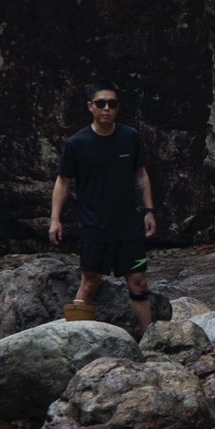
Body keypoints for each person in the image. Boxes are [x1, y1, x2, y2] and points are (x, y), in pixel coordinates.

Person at [49, 82, 156, 335]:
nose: (107, 108)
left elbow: (141, 175)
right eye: (101, 104)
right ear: (90, 107)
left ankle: (152, 341)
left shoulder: (129, 137)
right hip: (94, 224)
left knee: (139, 283)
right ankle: (73, 339)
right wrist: (55, 219)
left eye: (112, 104)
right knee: (90, 282)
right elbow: (62, 181)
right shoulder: (78, 143)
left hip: (127, 225)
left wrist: (149, 210)